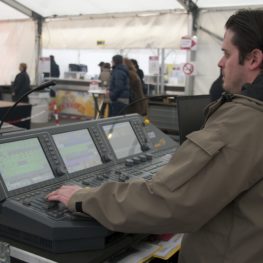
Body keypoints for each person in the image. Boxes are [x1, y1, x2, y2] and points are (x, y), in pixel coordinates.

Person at [48, 10, 263, 263]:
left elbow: (168, 201)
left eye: (226, 53)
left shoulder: (245, 121)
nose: (219, 62)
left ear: (253, 59)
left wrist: (84, 198)